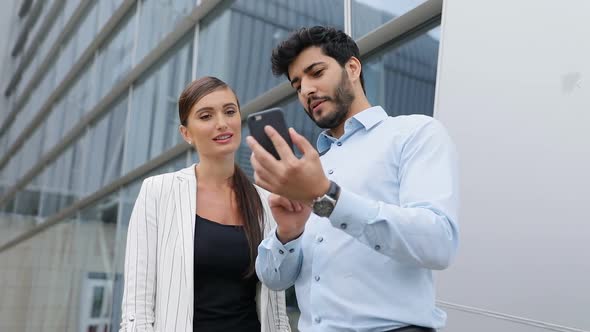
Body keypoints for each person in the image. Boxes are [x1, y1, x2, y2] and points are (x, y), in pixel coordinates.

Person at [247, 26, 460, 332]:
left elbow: (439, 243)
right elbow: (273, 278)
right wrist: (288, 233)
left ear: (352, 67)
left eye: (316, 72)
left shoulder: (414, 134)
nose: (306, 90)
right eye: (297, 85)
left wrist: (328, 198)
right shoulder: (311, 170)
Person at [120, 76, 291, 332]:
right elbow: (137, 303)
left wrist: (290, 233)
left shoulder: (266, 201)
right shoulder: (158, 192)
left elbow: (277, 298)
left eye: (229, 112)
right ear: (186, 133)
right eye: (206, 116)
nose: (222, 123)